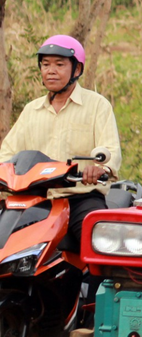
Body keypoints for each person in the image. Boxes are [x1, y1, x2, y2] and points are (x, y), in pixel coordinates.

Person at [0, 36, 122, 249]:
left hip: (79, 198)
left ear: (76, 69)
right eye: (45, 65)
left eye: (59, 64)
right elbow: (7, 154)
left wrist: (99, 169)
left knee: (100, 246)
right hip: (34, 198)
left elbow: (110, 151)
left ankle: (96, 283)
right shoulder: (31, 110)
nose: (50, 70)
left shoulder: (97, 106)